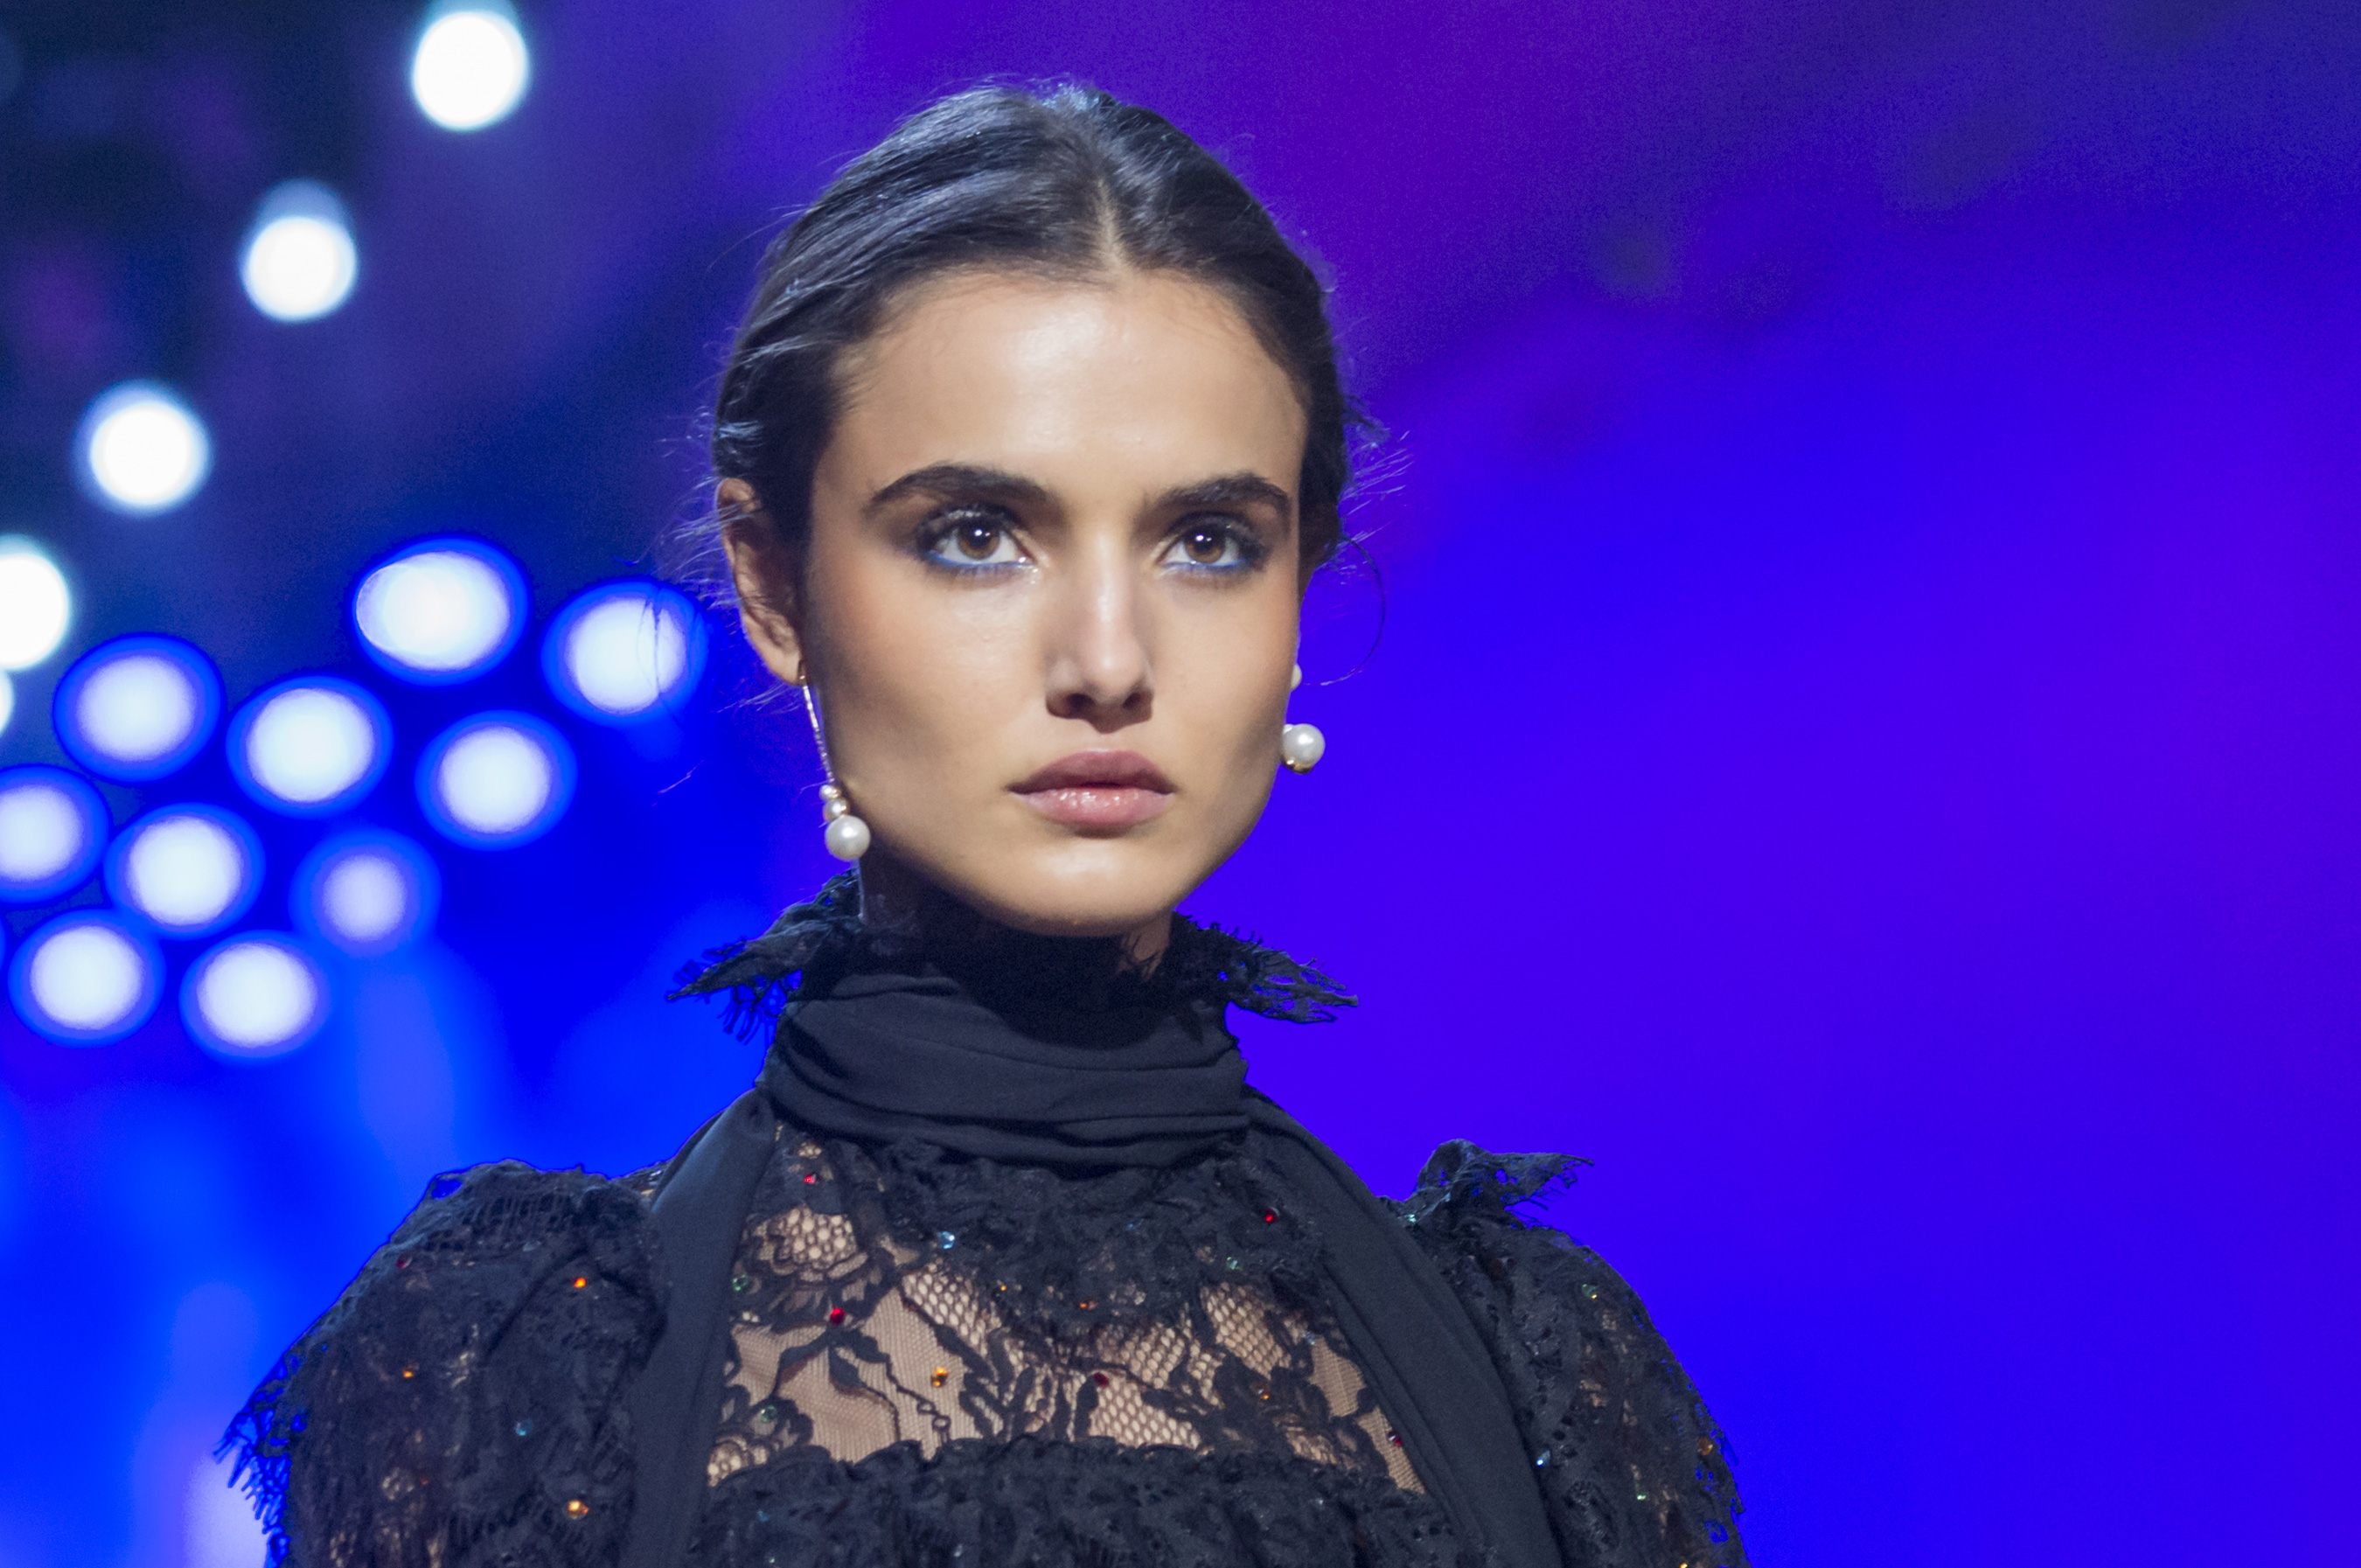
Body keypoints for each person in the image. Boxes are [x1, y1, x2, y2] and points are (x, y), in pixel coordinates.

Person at [226, 84, 1745, 1568]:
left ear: (1299, 592)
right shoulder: (515, 1383)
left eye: (1208, 540)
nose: (1108, 659)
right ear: (773, 583)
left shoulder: (1535, 1374)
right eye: (976, 535)